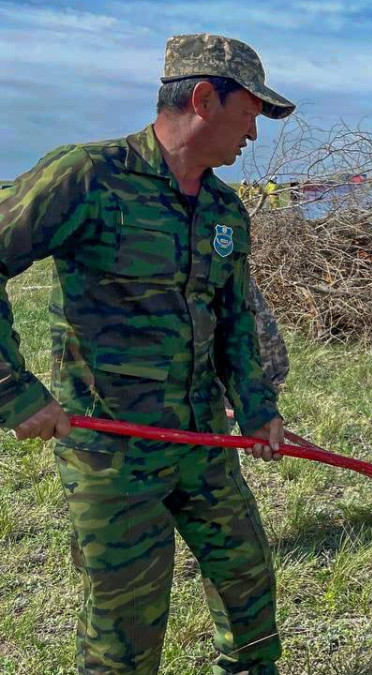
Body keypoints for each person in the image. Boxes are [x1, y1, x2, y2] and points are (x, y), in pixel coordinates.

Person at [0, 33, 295, 674]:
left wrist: (257, 409)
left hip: (204, 445)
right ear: (203, 99)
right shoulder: (87, 176)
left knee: (248, 587)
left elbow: (235, 320)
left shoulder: (224, 209)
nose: (253, 134)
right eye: (249, 113)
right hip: (114, 454)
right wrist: (13, 390)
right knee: (124, 635)